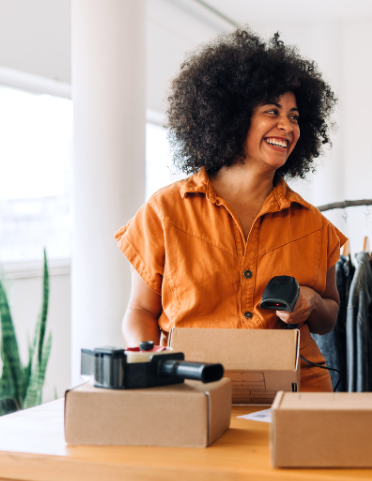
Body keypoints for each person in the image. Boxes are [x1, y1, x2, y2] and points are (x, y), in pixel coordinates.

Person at [116, 30, 343, 392]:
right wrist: (153, 367)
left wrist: (311, 302)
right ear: (234, 116)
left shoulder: (313, 225)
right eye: (272, 111)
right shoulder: (164, 211)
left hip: (292, 393)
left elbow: (328, 316)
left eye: (295, 116)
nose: (287, 126)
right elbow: (141, 311)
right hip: (190, 387)